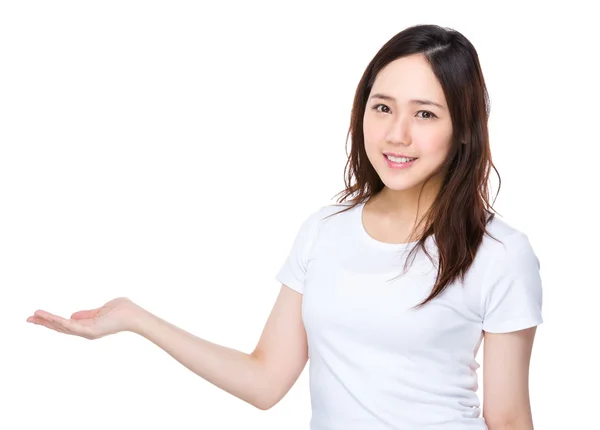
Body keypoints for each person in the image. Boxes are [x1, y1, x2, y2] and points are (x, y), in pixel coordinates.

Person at [26, 24, 543, 430]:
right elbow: (265, 380)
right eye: (382, 108)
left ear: (463, 128)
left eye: (426, 114)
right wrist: (136, 318)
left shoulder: (498, 253)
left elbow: (508, 419)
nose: (397, 134)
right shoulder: (325, 231)